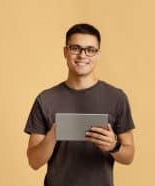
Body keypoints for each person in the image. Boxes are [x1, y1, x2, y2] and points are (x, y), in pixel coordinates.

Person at [24, 23, 135, 186]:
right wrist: (53, 135)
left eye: (90, 50)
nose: (83, 55)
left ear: (98, 54)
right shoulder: (45, 99)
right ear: (65, 52)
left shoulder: (116, 97)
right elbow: (34, 162)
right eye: (75, 48)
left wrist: (113, 146)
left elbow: (129, 156)